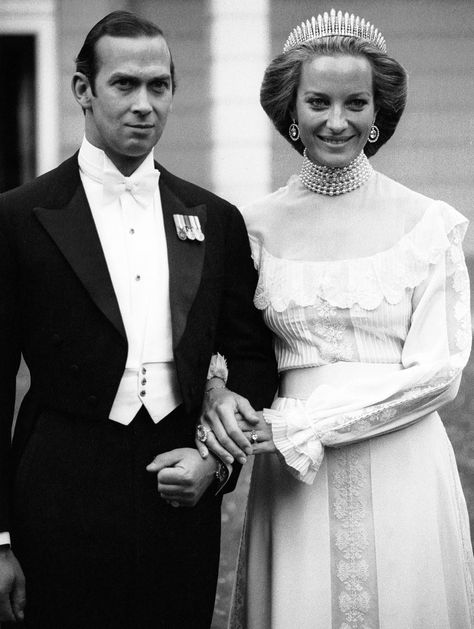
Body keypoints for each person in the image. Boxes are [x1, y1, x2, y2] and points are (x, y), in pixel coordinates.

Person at [197, 9, 474, 628]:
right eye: (318, 101)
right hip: (295, 482)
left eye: (357, 103)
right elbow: (224, 346)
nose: (337, 121)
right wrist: (218, 391)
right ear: (290, 110)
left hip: (400, 462)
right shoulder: (250, 226)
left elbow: (441, 373)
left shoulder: (427, 223)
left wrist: (305, 423)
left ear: (380, 112)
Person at [0, 10, 277, 629]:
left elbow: (256, 358)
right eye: (125, 84)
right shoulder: (19, 217)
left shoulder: (213, 218)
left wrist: (216, 460)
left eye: (160, 86)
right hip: (57, 494)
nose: (144, 104)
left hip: (179, 495)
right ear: (84, 91)